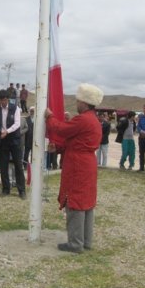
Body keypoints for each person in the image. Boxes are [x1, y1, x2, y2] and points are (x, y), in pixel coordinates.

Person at [45, 83, 103, 253]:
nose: (76, 104)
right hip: (87, 163)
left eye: (78, 101)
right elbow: (76, 141)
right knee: (87, 203)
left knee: (75, 202)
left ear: (84, 103)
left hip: (78, 164)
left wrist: (49, 117)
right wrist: (60, 148)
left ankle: (75, 244)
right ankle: (86, 241)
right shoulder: (93, 120)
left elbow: (61, 129)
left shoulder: (83, 119)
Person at [0, 89, 26, 199]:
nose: (3, 102)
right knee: (3, 166)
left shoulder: (15, 109)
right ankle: (5, 189)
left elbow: (17, 124)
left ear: (8, 99)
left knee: (18, 165)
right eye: (1, 100)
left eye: (5, 100)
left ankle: (21, 190)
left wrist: (7, 131)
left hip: (14, 140)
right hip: (2, 140)